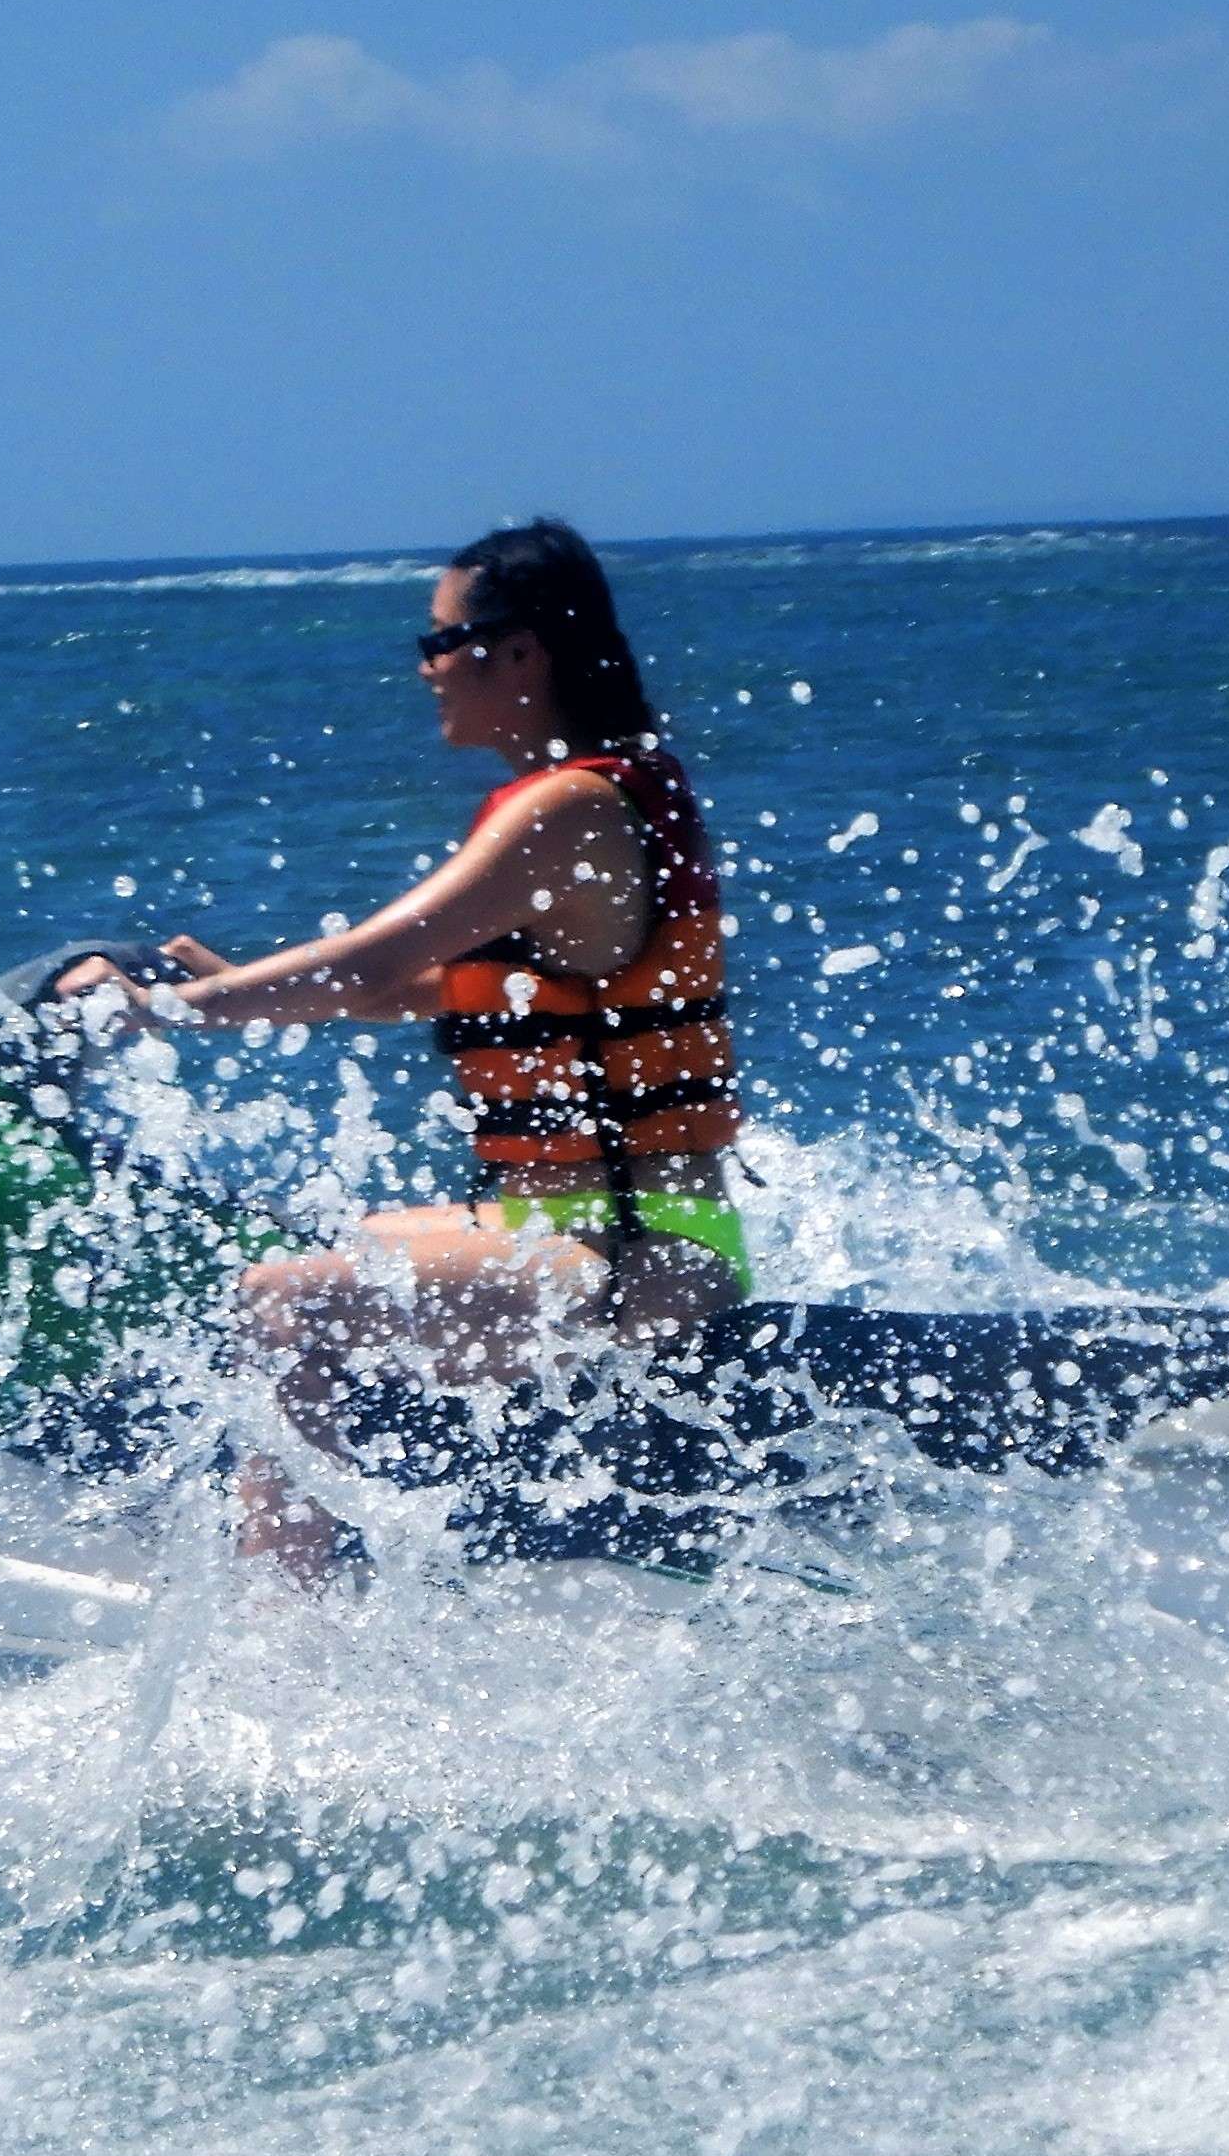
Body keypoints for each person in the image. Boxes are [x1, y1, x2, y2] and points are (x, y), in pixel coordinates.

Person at [57, 518, 750, 1572]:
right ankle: (330, 1542)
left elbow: (374, 959)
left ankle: (290, 1639)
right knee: (302, 1238)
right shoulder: (605, 795)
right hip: (583, 1223)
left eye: (437, 642)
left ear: (520, 652)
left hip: (636, 1252)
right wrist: (242, 990)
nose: (424, 667)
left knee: (280, 1300)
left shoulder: (567, 811)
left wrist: (170, 1012)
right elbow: (423, 987)